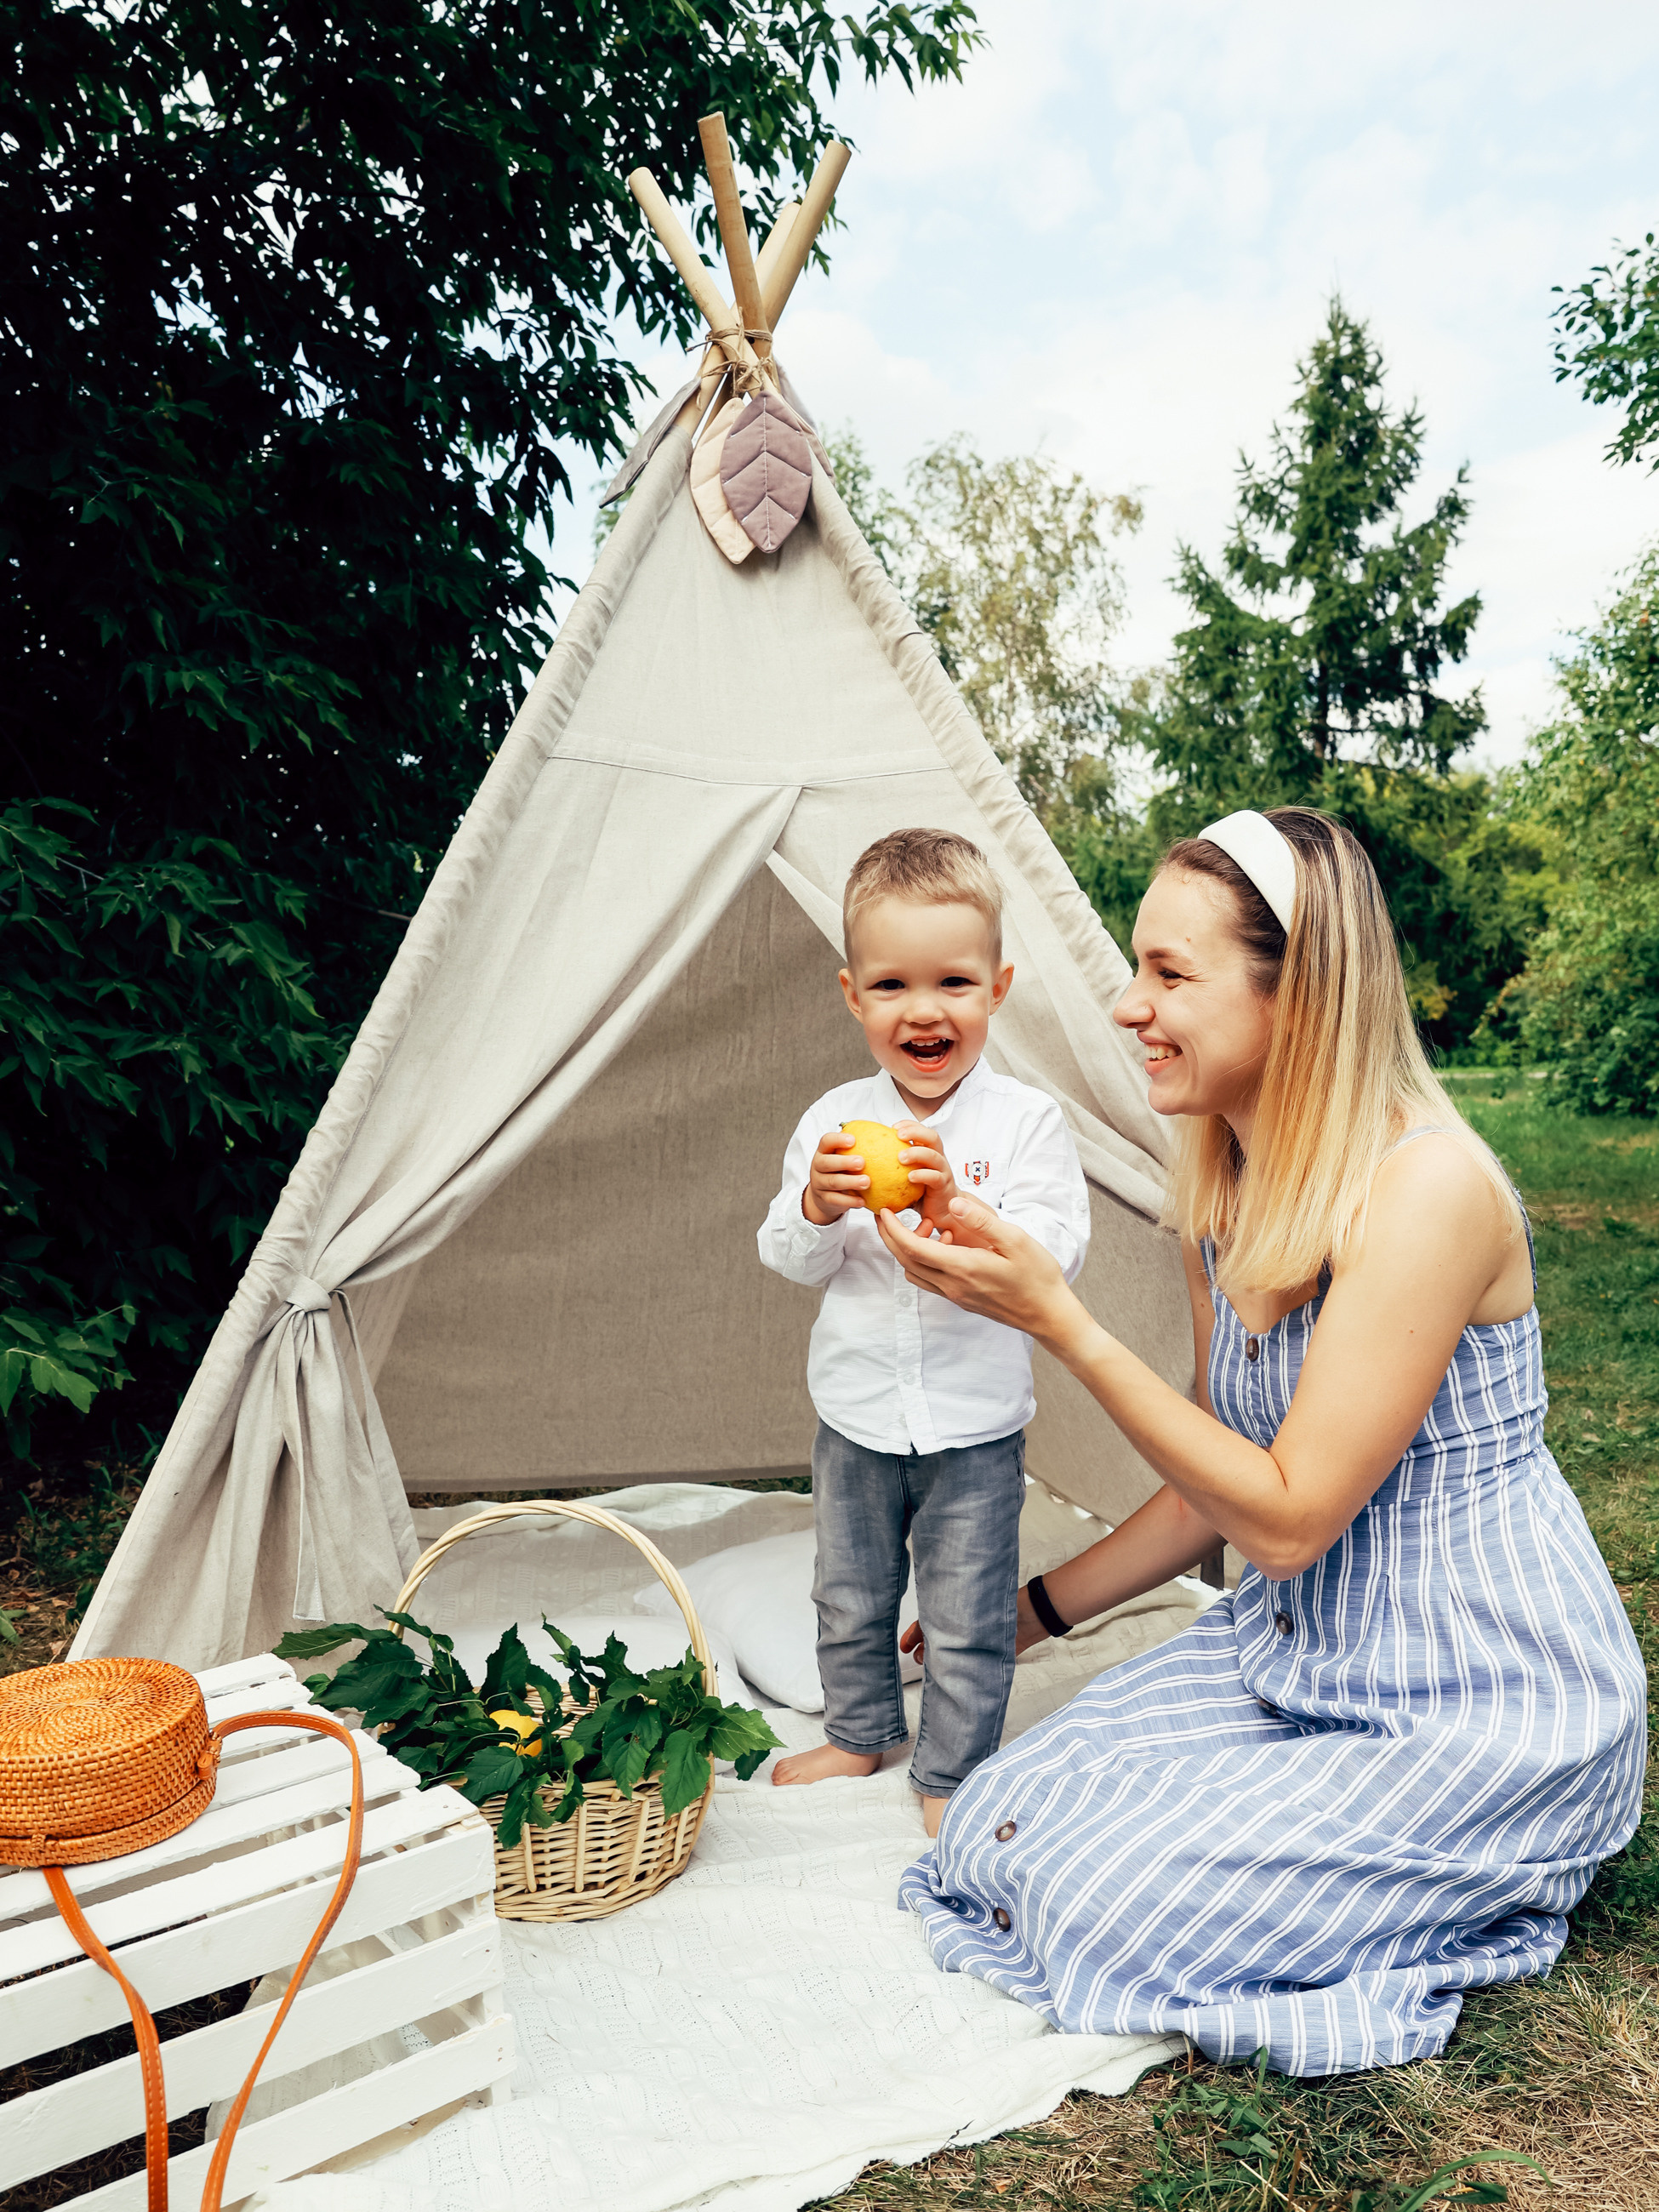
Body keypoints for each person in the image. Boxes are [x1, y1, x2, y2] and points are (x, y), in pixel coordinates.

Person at [876, 807, 1645, 2073]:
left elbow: (1286, 1519)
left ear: (1302, 998)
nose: (1128, 1007)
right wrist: (1038, 1608)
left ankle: (1490, 1871)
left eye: (1169, 974)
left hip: (1475, 1702)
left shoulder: (1428, 1189)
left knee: (1103, 1904)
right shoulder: (1220, 1193)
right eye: (1138, 967)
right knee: (994, 1823)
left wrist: (1058, 1323)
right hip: (1298, 1659)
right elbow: (1210, 1483)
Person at [757, 828, 1092, 1837]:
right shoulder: (833, 1122)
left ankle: (950, 1769)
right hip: (855, 1416)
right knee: (848, 1593)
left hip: (975, 1430)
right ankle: (861, 1728)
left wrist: (957, 1207)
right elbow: (788, 1258)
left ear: (997, 986)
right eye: (893, 985)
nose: (924, 1009)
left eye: (952, 980)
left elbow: (1054, 1258)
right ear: (854, 994)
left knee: (967, 1614)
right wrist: (816, 1206)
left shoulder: (1026, 1125)